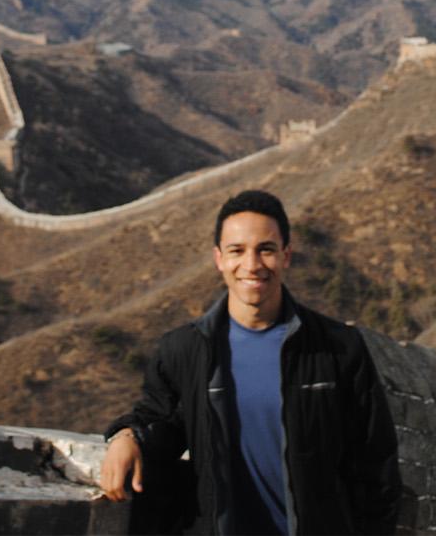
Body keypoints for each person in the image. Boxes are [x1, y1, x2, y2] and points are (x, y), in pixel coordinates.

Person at [99, 189, 402, 535]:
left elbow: (377, 467)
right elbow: (160, 420)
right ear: (218, 258)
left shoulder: (337, 349)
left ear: (286, 255)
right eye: (237, 251)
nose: (252, 265)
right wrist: (126, 437)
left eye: (266, 250)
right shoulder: (185, 350)